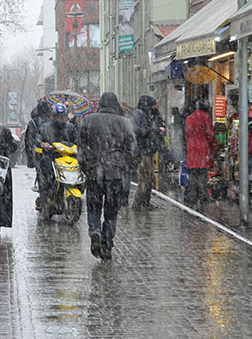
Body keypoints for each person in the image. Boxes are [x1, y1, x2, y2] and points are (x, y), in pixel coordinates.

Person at [78, 92, 136, 260]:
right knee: (111, 212)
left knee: (94, 207)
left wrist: (85, 166)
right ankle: (107, 246)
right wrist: (123, 164)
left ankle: (95, 230)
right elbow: (132, 149)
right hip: (115, 173)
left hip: (94, 171)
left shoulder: (88, 120)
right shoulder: (124, 123)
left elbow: (81, 147)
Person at [132, 95, 166, 210]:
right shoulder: (140, 114)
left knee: (149, 177)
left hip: (147, 149)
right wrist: (157, 130)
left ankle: (145, 202)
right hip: (143, 150)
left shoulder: (145, 113)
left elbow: (156, 120)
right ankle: (139, 203)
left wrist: (155, 109)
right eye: (152, 106)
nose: (153, 108)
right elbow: (142, 130)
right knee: (145, 177)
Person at [35, 103, 75, 197]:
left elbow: (77, 139)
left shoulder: (70, 127)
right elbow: (38, 138)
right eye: (58, 116)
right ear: (53, 116)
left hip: (67, 157)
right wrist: (42, 144)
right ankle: (46, 192)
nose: (60, 119)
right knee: (45, 168)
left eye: (62, 116)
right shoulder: (45, 127)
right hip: (51, 156)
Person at [184, 99, 217, 207]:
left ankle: (192, 195)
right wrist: (215, 146)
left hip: (192, 149)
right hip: (203, 148)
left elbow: (187, 134)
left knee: (193, 173)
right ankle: (203, 195)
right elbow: (210, 134)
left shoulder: (189, 118)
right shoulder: (206, 117)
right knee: (202, 174)